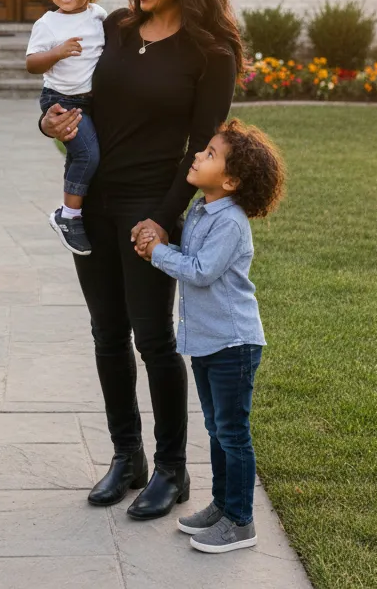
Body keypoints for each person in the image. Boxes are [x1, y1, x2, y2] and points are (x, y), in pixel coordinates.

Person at [39, 0, 243, 519]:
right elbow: (75, 97)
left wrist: (162, 217)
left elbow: (201, 148)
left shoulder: (212, 52)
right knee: (106, 333)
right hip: (94, 201)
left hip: (150, 205)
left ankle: (172, 468)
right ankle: (126, 456)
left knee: (152, 338)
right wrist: (50, 125)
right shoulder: (116, 29)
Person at [133, 119, 285, 554]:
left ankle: (240, 521)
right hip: (208, 340)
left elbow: (200, 272)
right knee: (217, 430)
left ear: (231, 181)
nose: (198, 155)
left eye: (210, 154)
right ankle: (222, 506)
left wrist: (157, 252)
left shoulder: (231, 222)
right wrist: (158, 243)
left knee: (233, 433)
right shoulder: (202, 209)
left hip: (234, 343)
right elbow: (189, 255)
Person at [25, 0, 109, 256]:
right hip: (61, 100)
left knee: (80, 154)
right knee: (87, 155)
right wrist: (56, 53)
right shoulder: (48, 24)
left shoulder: (98, 17)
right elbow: (32, 64)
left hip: (90, 101)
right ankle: (68, 215)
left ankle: (79, 209)